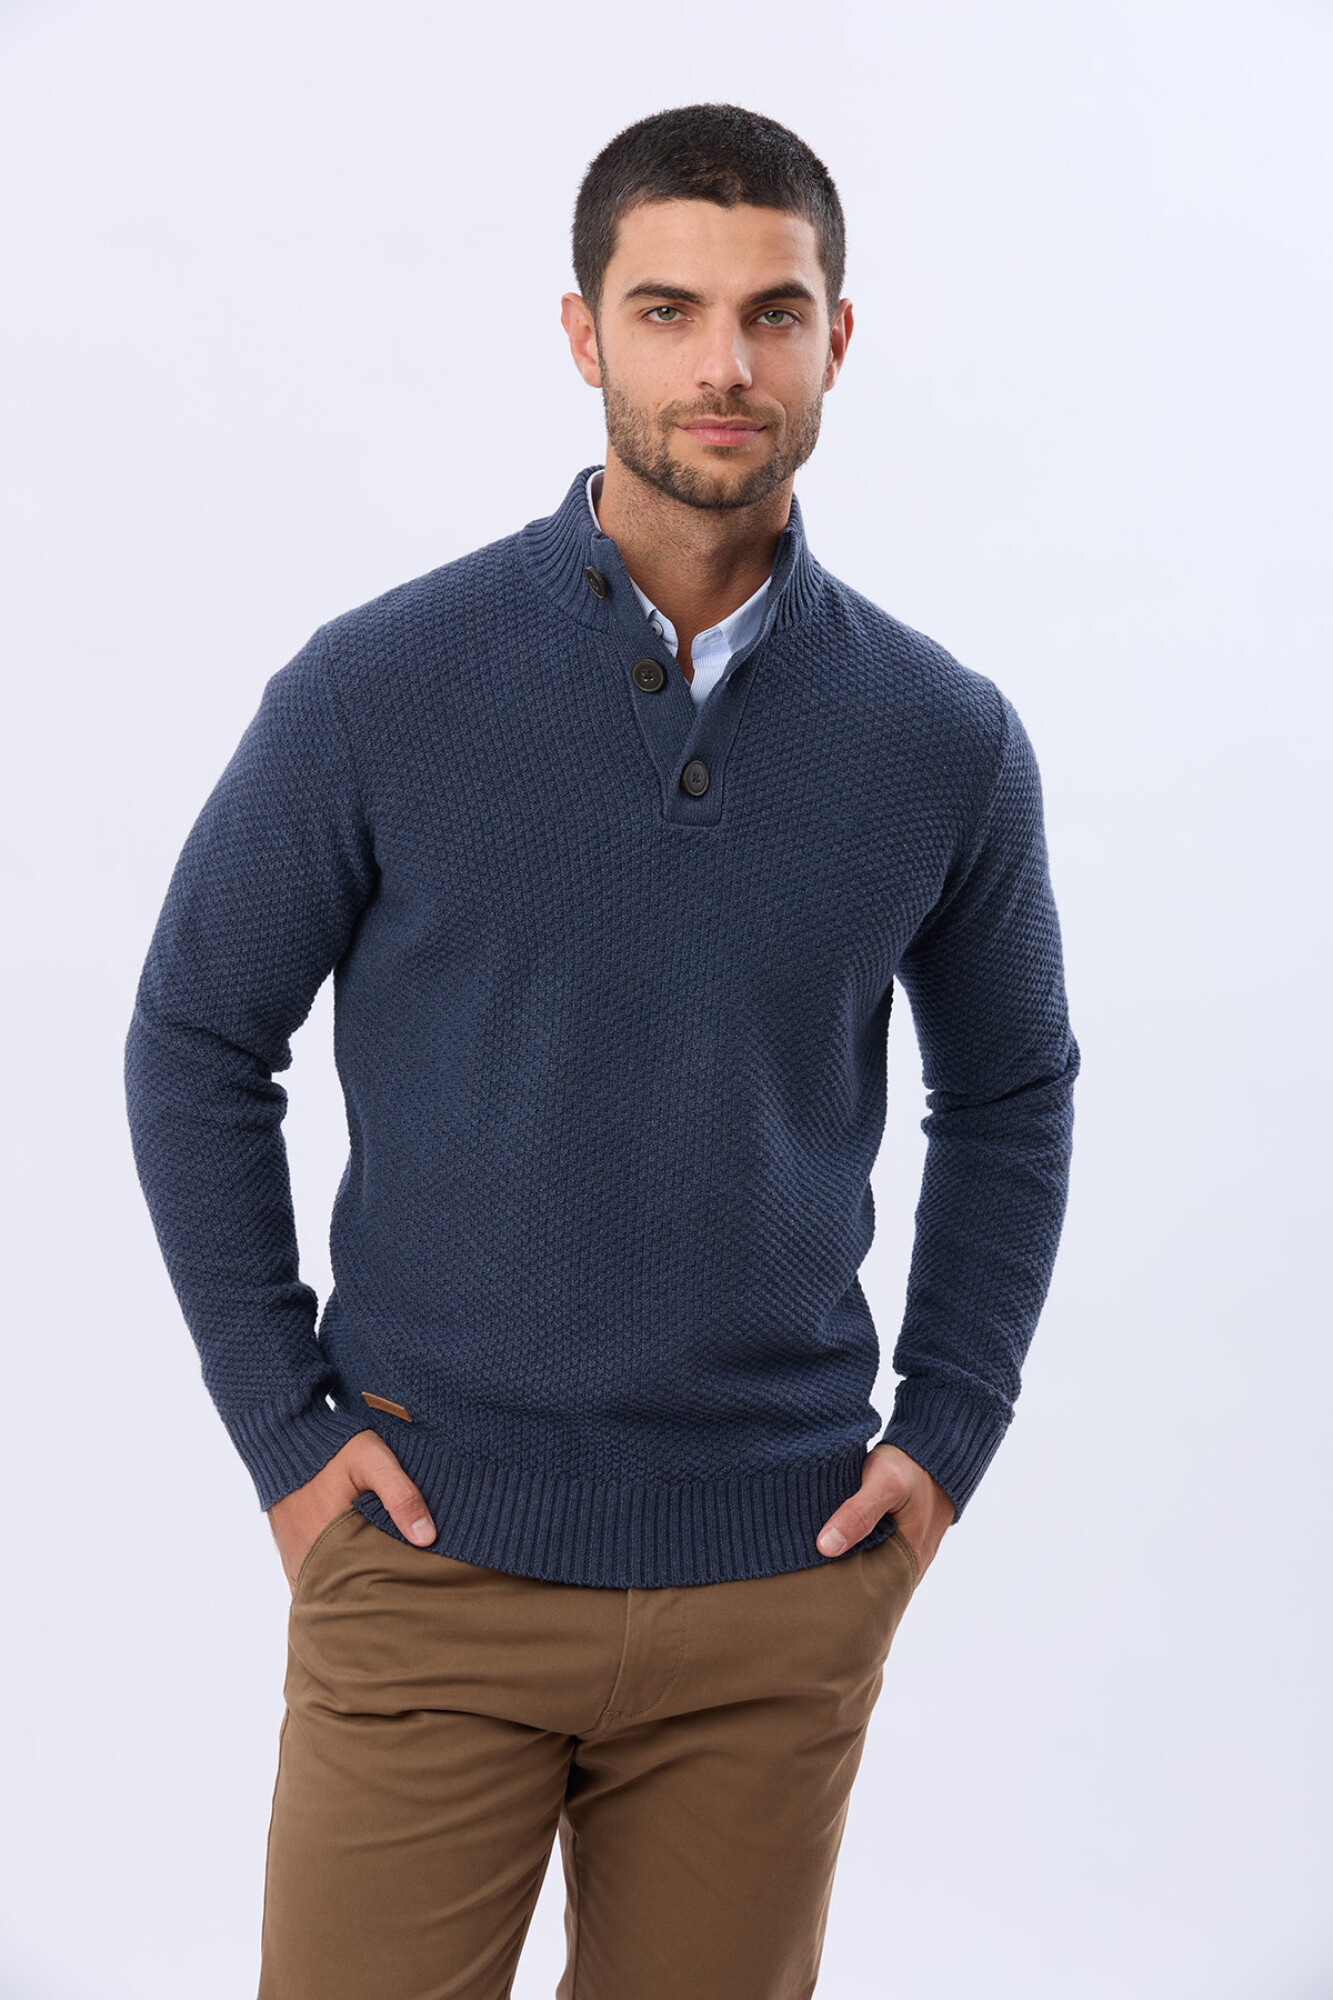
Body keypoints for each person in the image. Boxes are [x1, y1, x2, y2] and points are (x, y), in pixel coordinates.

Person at [124, 101, 1079, 2000]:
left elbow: (1012, 1094)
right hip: (430, 1555)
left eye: (772, 313)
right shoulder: (378, 687)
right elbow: (196, 1039)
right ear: (583, 335)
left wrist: (948, 1426)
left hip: (776, 1577)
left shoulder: (942, 739)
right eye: (666, 311)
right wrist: (287, 1435)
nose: (724, 365)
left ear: (835, 338)